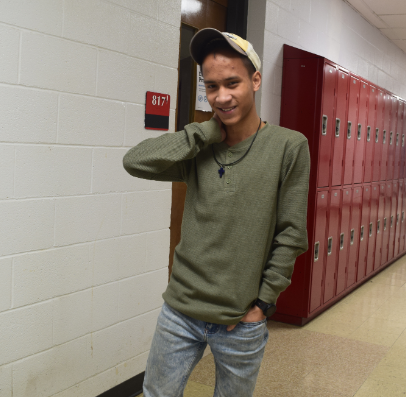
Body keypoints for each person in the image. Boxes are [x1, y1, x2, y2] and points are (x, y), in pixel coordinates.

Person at [123, 28, 310, 397]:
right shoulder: (200, 148)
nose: (222, 97)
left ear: (255, 80)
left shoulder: (289, 146)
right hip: (180, 311)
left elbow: (291, 234)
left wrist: (263, 303)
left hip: (240, 320)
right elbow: (135, 161)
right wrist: (204, 132)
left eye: (232, 83)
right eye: (212, 87)